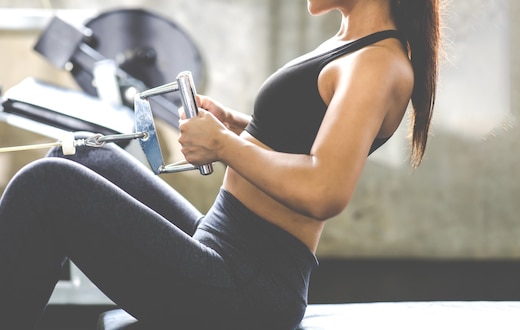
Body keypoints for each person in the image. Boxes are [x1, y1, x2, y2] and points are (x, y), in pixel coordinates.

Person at [0, 0, 441, 328]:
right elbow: (310, 139)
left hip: (249, 286)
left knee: (48, 185)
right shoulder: (351, 45)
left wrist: (226, 146)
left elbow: (324, 189)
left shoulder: (378, 64)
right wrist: (239, 126)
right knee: (81, 155)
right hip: (223, 242)